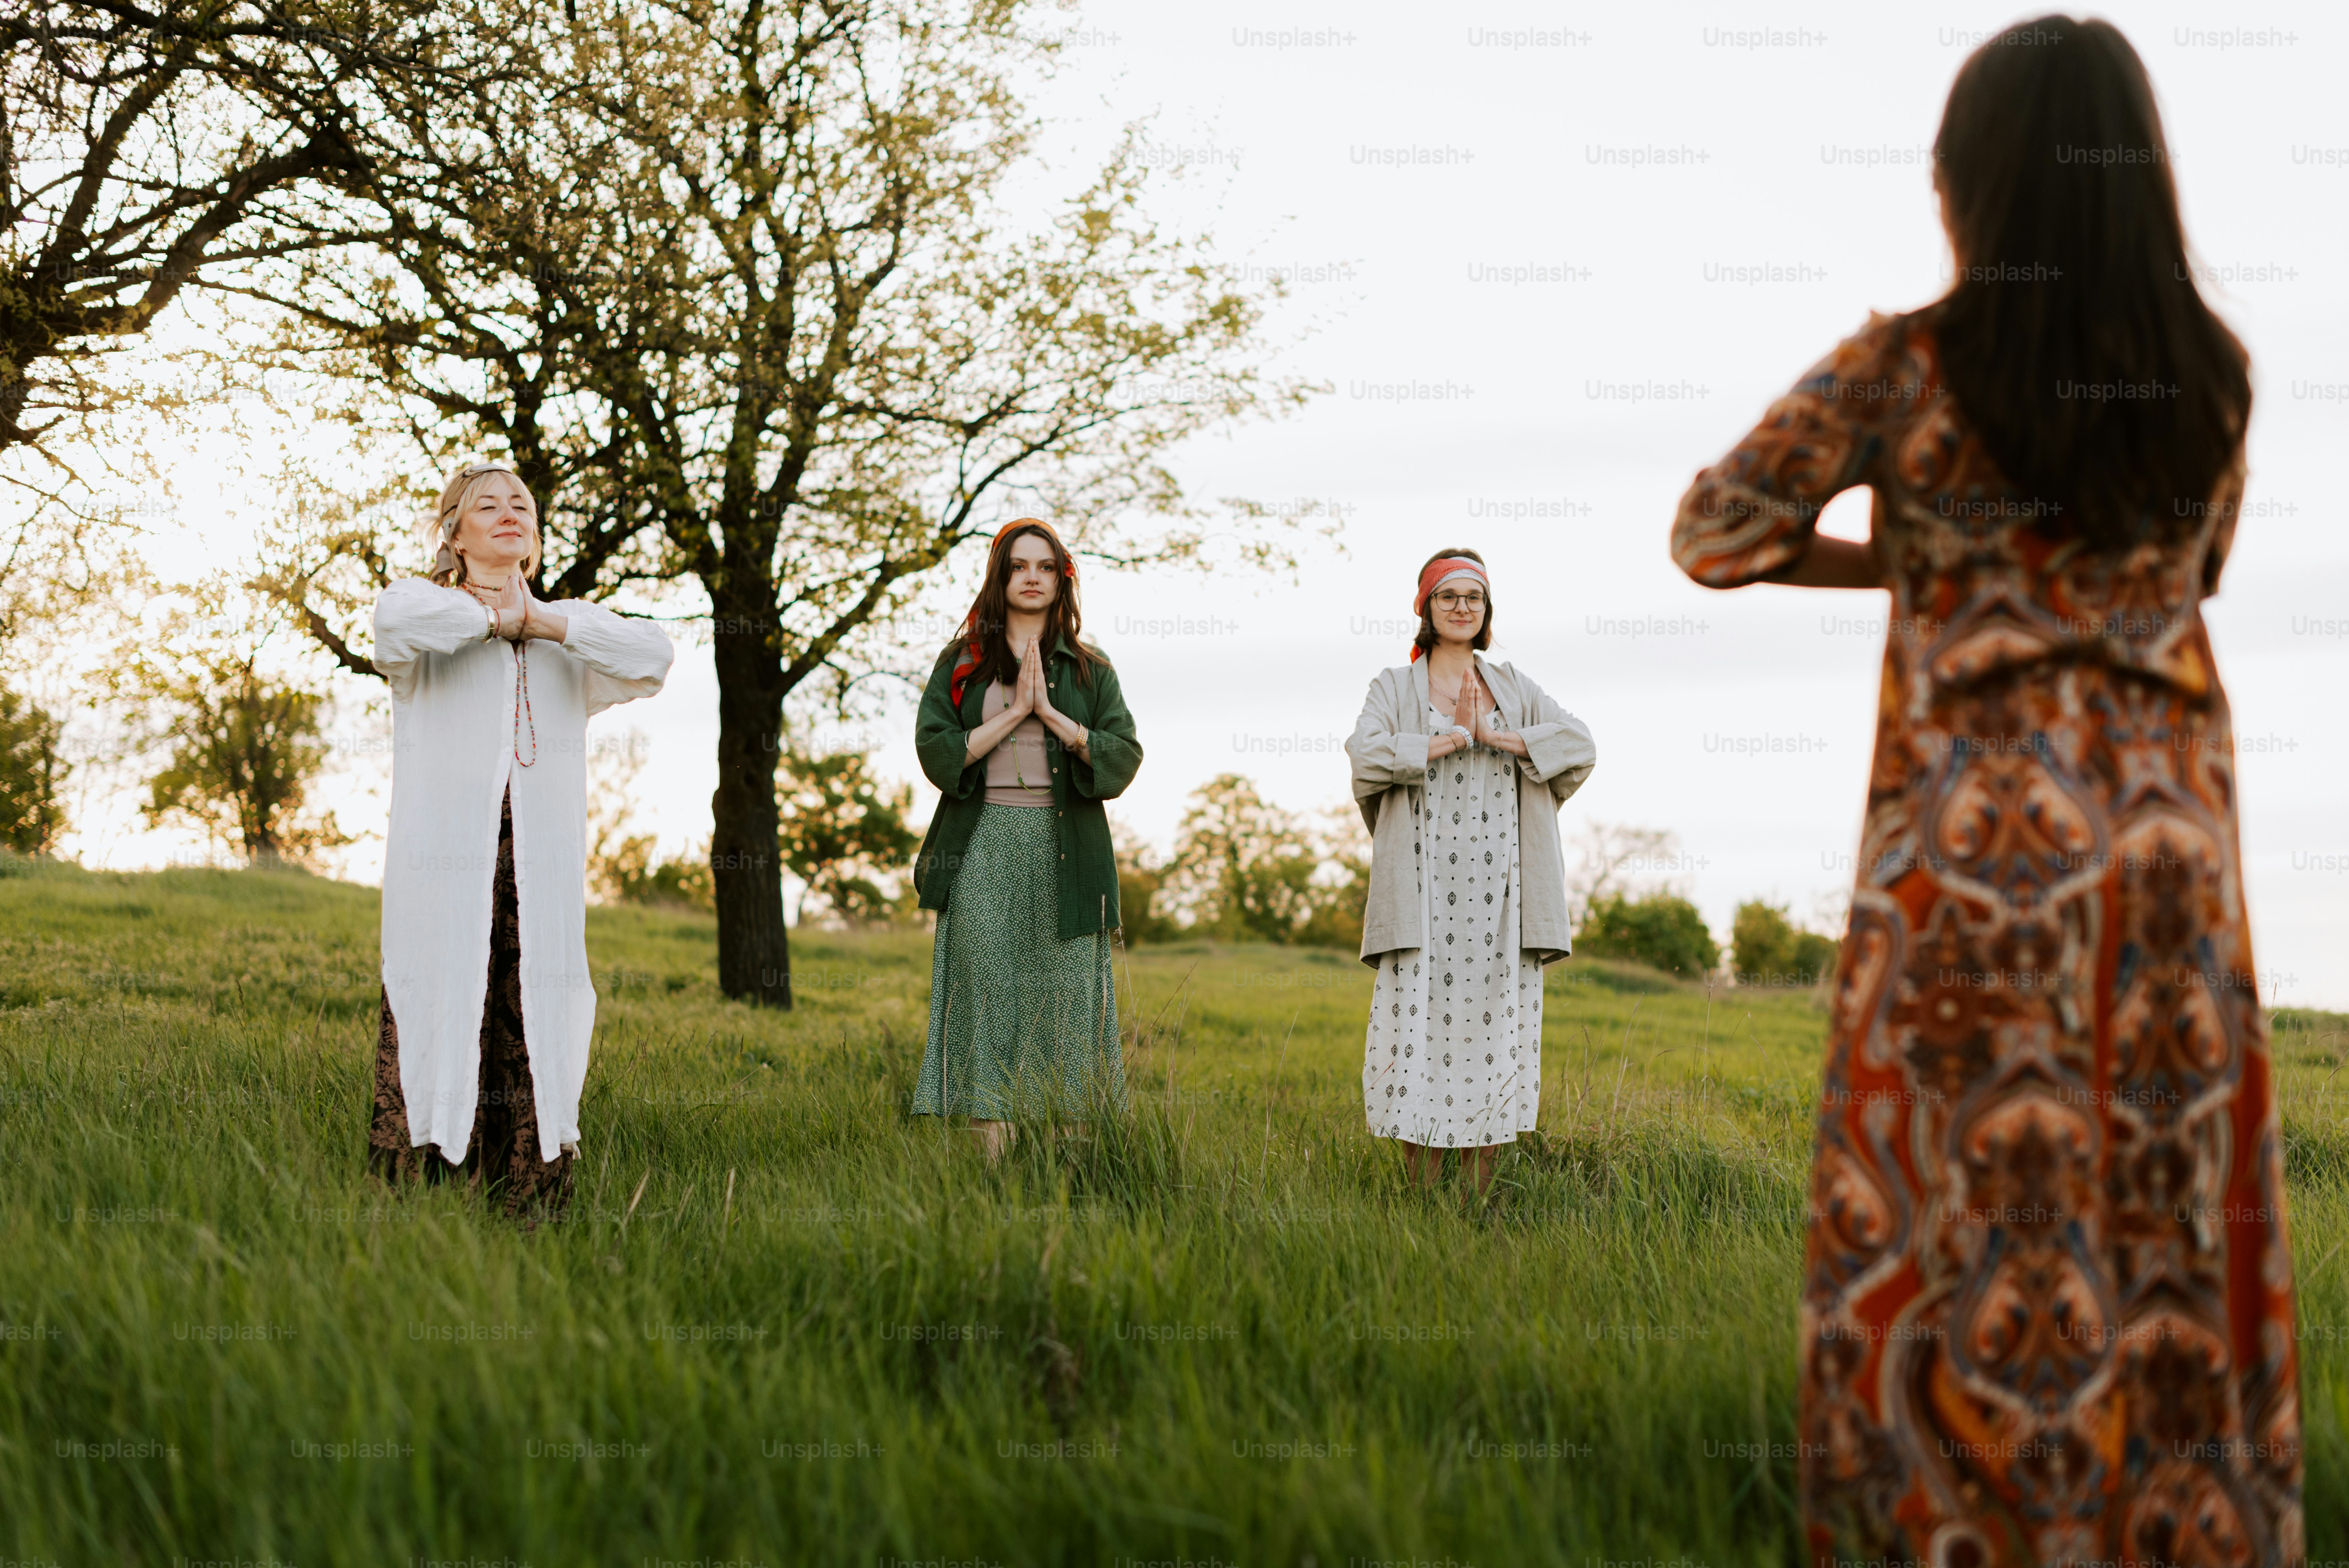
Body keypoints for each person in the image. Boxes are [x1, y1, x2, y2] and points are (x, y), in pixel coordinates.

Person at [1671, 17, 2300, 1562]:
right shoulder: (2212, 378)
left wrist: (1920, 550)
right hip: (2164, 848)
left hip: (1971, 840)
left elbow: (1713, 531)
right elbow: (2183, 574)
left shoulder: (1903, 362)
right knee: (2159, 1218)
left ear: (1965, 178)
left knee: (1958, 1217)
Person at [370, 460, 673, 1217]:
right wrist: (492, 618)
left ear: (536, 533)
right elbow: (396, 627)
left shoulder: (566, 632)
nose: (509, 513)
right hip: (446, 870)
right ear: (456, 532)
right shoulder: (423, 611)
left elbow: (653, 658)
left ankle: (526, 1198)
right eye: (487, 505)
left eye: (522, 505)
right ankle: (425, 1193)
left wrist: (539, 621)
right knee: (445, 997)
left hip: (537, 873)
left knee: (534, 1005)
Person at [1344, 549, 1596, 1195]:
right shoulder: (1393, 687)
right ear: (1426, 608)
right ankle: (1423, 1202)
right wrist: (1449, 739)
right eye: (1448, 596)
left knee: (1493, 1044)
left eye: (1474, 598)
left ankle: (1477, 1205)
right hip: (1423, 891)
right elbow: (1366, 754)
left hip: (1500, 898)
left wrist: (1497, 733)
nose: (1462, 607)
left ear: (1486, 611)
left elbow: (1579, 744)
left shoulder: (1512, 685)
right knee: (1416, 1044)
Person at [911, 519, 1141, 1159]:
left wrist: (1057, 721)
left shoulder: (1092, 669)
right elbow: (935, 751)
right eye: (1019, 566)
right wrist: (1014, 713)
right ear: (1001, 578)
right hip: (982, 842)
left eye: (1045, 566)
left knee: (1070, 1004)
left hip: (1068, 849)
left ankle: (1074, 1173)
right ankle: (990, 1177)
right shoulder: (961, 662)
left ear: (1061, 578)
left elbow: (1122, 758)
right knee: (989, 996)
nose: (1033, 576)